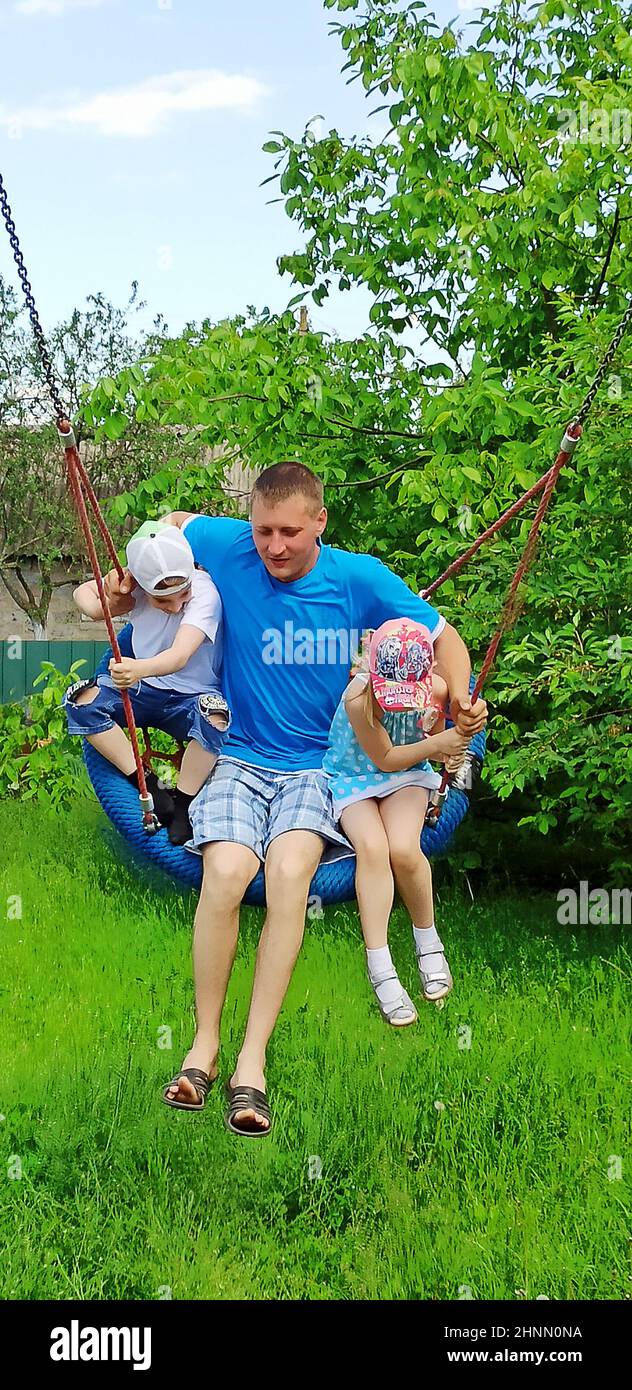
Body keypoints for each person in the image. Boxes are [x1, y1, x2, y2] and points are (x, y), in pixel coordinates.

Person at [101, 462, 488, 1137]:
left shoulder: (358, 578)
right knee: (225, 874)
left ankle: (251, 1062)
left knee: (287, 876)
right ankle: (204, 1046)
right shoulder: (229, 545)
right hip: (238, 757)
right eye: (263, 531)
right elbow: (172, 527)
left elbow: (443, 635)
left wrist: (458, 698)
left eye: (288, 532)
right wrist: (128, 578)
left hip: (316, 770)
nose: (274, 547)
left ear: (319, 522)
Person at [323, 617, 470, 1026]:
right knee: (373, 849)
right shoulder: (359, 698)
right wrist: (439, 743)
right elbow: (385, 757)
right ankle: (380, 964)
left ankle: (428, 941)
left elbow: (429, 747)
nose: (401, 703)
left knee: (403, 849)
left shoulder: (435, 690)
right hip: (355, 777)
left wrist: (450, 751)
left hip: (408, 776)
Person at [65, 522, 230, 846]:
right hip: (145, 691)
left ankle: (183, 804)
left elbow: (179, 656)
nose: (176, 606)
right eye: (162, 601)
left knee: (215, 717)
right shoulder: (137, 587)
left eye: (182, 595)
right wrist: (116, 594)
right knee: (80, 701)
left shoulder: (205, 593)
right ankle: (149, 784)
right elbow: (84, 599)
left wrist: (138, 669)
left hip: (191, 696)